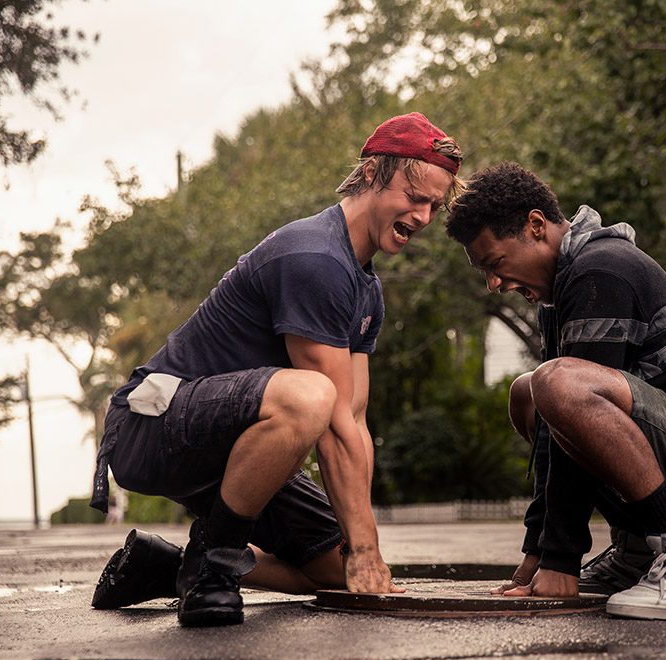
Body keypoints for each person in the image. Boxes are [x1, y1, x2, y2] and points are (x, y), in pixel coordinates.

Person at [88, 112, 464, 627]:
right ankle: (214, 566)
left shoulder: (366, 289)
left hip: (235, 452)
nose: (423, 217)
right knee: (311, 397)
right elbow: (329, 418)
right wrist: (366, 546)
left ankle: (169, 567)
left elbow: (354, 421)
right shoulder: (315, 257)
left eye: (433, 207)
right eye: (415, 197)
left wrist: (361, 547)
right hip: (152, 425)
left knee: (336, 571)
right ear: (374, 172)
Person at [443, 162, 666, 620]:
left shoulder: (602, 271)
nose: (494, 284)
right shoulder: (561, 294)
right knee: (530, 393)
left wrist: (561, 562)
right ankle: (639, 555)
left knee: (554, 383)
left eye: (495, 263)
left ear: (536, 226)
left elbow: (571, 399)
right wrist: (538, 559)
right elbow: (559, 434)